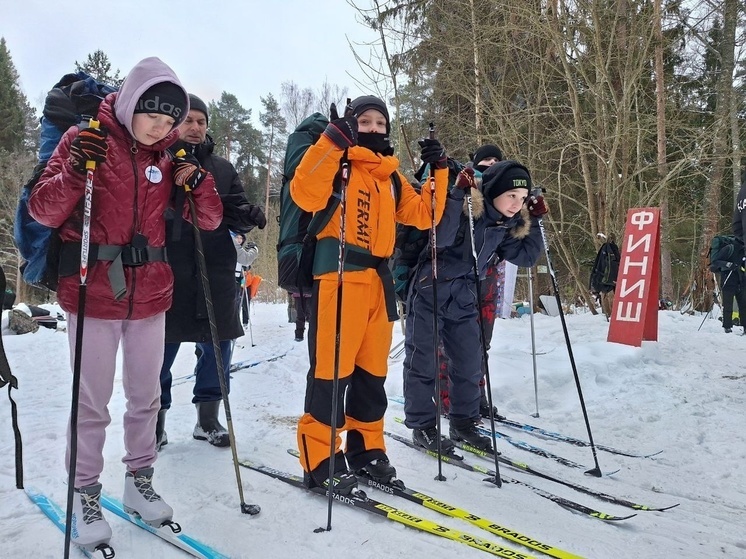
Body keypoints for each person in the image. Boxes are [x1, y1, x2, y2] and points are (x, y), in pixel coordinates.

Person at [28, 57, 222, 550]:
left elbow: (211, 221)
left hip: (151, 292)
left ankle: (139, 482)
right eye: (153, 116)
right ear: (133, 104)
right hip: (93, 289)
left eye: (169, 120)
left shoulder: (171, 155)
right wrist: (74, 169)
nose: (161, 127)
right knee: (91, 402)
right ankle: (85, 492)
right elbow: (44, 209)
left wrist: (198, 184)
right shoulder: (85, 139)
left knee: (146, 397)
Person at [292, 95, 449, 494]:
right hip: (339, 278)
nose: (375, 128)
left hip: (378, 287)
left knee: (370, 376)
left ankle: (367, 449)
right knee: (331, 373)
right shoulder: (337, 161)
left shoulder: (391, 176)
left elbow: (424, 214)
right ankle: (321, 457)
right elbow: (305, 194)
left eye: (381, 123)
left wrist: (440, 171)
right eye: (366, 121)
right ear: (352, 123)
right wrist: (331, 141)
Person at [403, 161, 546, 453]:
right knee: (422, 362)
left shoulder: (504, 224)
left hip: (466, 295)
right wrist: (456, 196)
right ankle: (422, 426)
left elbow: (527, 257)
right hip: (430, 289)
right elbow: (439, 237)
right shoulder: (469, 209)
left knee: (469, 363)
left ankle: (463, 423)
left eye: (521, 199)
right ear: (493, 192)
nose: (515, 204)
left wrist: (534, 221)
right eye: (511, 196)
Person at [157, 94, 266, 450]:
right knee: (160, 348)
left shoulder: (222, 167)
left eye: (201, 121)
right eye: (188, 120)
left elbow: (233, 209)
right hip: (167, 268)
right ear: (174, 123)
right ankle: (154, 421)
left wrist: (248, 215)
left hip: (216, 267)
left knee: (218, 347)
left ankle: (208, 419)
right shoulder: (156, 161)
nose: (195, 127)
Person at [438, 144, 506, 419]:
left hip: (488, 277)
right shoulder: (466, 185)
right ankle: (446, 398)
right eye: (486, 159)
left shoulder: (503, 192)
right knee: (453, 345)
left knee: (481, 344)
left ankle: (475, 397)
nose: (490, 163)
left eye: (495, 160)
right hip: (460, 277)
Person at [710, 238, 746, 334]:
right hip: (728, 280)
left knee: (743, 305)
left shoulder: (743, 250)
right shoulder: (729, 248)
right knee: (728, 305)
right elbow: (715, 262)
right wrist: (728, 264)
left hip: (741, 280)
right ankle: (727, 327)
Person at [589, 233, 620, 318]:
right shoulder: (606, 250)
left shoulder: (608, 250)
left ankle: (611, 315)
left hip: (607, 283)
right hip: (607, 284)